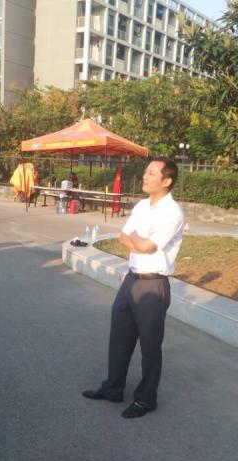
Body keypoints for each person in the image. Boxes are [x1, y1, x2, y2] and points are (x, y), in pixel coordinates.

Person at [82, 158, 184, 419]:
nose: (145, 176)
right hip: (131, 280)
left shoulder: (172, 213)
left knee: (150, 346)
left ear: (167, 180)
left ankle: (146, 399)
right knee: (119, 338)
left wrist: (138, 241)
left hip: (153, 285)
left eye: (152, 173)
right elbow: (123, 237)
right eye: (146, 172)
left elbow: (147, 247)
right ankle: (113, 388)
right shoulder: (141, 206)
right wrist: (138, 242)